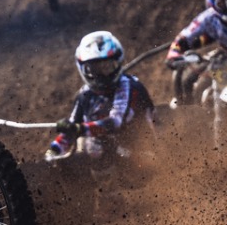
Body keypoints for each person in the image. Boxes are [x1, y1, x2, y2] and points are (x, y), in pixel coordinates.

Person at [46, 32, 153, 162]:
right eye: (94, 69)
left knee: (96, 145)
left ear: (117, 63)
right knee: (76, 152)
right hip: (111, 155)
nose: (102, 75)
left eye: (107, 67)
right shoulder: (84, 94)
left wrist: (80, 129)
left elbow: (115, 122)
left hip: (144, 154)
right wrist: (55, 150)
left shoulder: (129, 86)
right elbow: (72, 128)